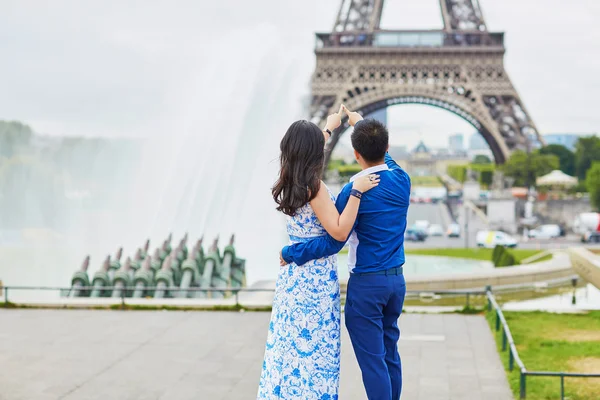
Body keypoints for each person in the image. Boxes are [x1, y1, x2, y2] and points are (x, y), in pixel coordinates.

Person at [280, 107, 411, 400]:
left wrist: (292, 252)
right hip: (396, 283)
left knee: (373, 363)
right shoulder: (402, 179)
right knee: (390, 354)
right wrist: (359, 122)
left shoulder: (354, 189)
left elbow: (333, 241)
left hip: (367, 286)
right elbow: (382, 156)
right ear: (387, 147)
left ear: (355, 154)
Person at [257, 106, 380, 400]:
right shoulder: (316, 187)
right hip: (314, 283)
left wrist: (330, 126)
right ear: (315, 152)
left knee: (289, 351)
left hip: (292, 282)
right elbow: (338, 232)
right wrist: (356, 191)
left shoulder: (289, 178)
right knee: (316, 354)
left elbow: (308, 147)